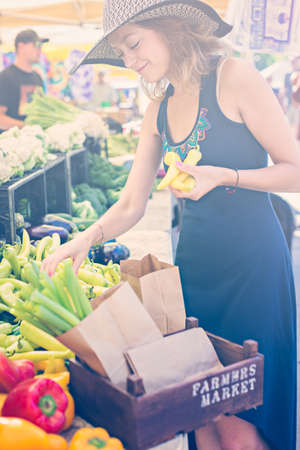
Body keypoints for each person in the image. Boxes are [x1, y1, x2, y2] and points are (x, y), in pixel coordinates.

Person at [42, 0, 300, 448]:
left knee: (242, 424)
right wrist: (82, 241)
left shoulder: (233, 76)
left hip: (252, 269)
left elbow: (294, 167)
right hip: (195, 272)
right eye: (122, 51)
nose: (129, 59)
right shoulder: (157, 110)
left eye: (134, 43)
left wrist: (226, 176)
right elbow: (130, 204)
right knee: (199, 411)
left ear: (171, 27)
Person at [0, 29, 49, 132]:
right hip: (14, 144)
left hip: (38, 141)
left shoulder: (37, 77)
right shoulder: (5, 77)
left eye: (41, 46)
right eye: (36, 45)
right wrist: (27, 127)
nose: (39, 50)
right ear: (21, 46)